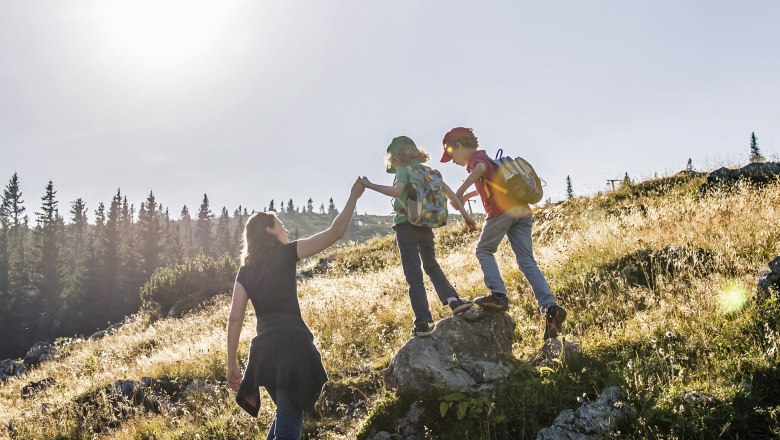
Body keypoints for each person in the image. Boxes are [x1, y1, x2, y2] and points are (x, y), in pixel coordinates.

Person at [226, 179, 365, 440]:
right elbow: (335, 233)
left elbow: (235, 318)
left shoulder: (244, 272)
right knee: (290, 418)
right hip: (291, 344)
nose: (285, 228)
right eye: (280, 225)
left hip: (264, 351)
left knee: (286, 415)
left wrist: (231, 362)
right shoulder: (287, 253)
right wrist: (353, 197)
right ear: (268, 230)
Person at [440, 127, 567, 340]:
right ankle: (550, 308)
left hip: (503, 212)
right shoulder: (489, 158)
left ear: (459, 146)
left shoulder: (476, 159)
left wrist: (459, 192)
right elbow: (488, 179)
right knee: (527, 261)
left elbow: (480, 169)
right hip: (522, 211)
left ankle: (498, 295)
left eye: (451, 155)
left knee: (483, 250)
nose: (452, 160)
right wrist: (470, 193)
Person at [360, 135, 477, 338]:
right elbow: (451, 196)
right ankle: (454, 301)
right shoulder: (431, 172)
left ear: (395, 157)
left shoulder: (404, 172)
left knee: (413, 274)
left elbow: (397, 192)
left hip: (406, 225)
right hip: (426, 224)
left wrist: (370, 186)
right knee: (432, 265)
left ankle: (423, 321)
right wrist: (467, 217)